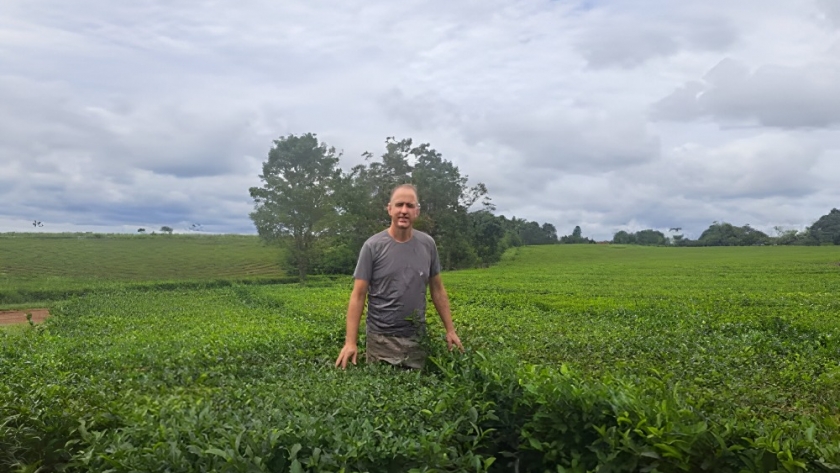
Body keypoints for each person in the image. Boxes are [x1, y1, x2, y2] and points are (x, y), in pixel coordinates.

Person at [335, 184, 463, 369]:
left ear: (416, 211)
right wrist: (350, 342)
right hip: (380, 340)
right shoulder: (372, 247)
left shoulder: (428, 245)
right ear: (390, 209)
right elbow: (358, 295)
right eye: (399, 205)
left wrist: (450, 330)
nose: (404, 211)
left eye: (410, 206)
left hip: (416, 339)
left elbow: (438, 290)